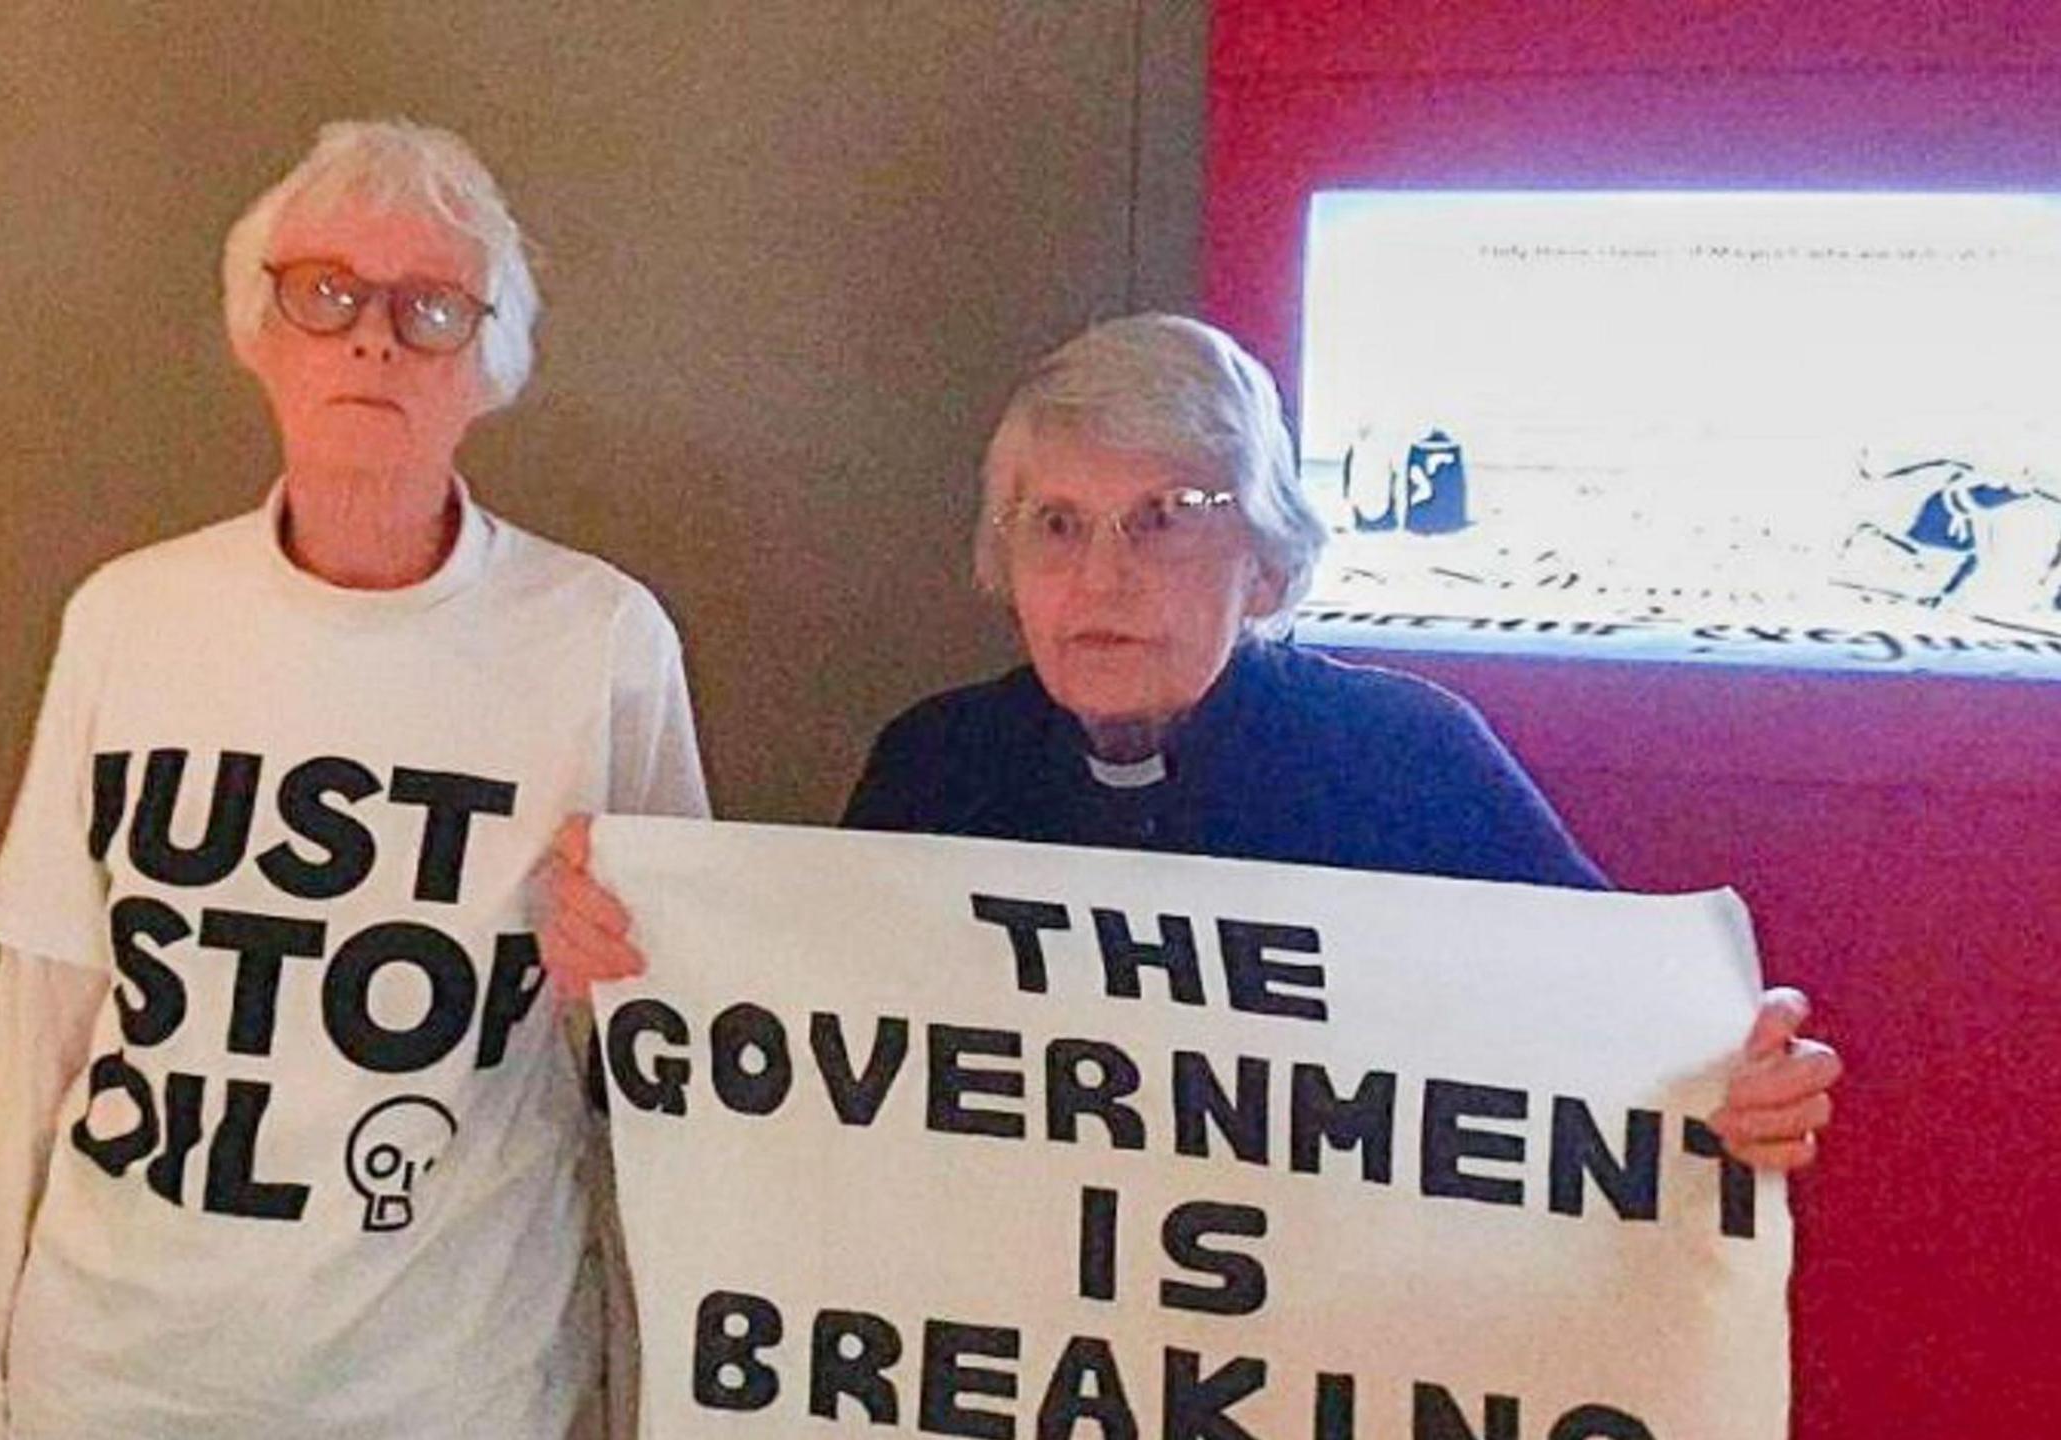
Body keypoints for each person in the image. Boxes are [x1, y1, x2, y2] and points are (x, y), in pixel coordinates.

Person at [539, 313, 1837, 1173]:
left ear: (1267, 569)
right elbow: (789, 1084)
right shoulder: (939, 768)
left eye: (1165, 519)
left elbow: (1636, 1044)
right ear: (1006, 563)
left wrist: (1732, 1088)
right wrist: (633, 980)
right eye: (1056, 524)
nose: (1103, 577)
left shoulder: (1411, 759)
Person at [0, 120, 707, 1440]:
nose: (371, 339)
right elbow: (41, 1028)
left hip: (449, 1387)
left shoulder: (601, 639)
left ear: (490, 362)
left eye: (431, 307)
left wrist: (613, 982)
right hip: (112, 1376)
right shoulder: (131, 617)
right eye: (325, 291)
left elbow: (676, 1056)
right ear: (260, 330)